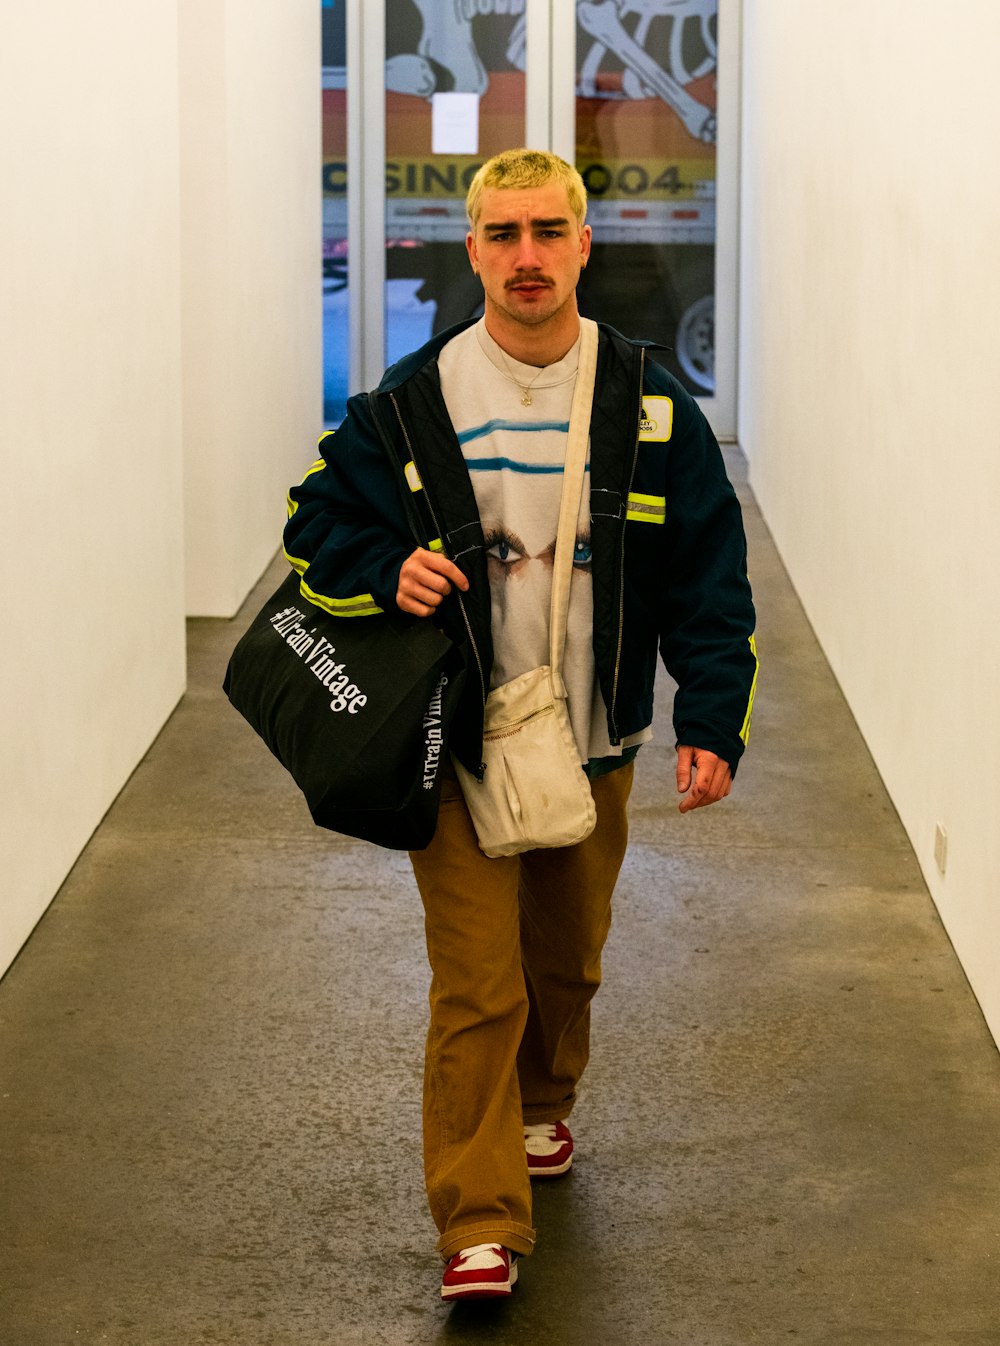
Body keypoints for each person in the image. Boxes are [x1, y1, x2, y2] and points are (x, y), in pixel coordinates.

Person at [283, 148, 757, 1302]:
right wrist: (384, 563)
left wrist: (713, 720)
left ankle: (544, 1104)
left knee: (566, 960)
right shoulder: (411, 400)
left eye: (549, 232)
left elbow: (708, 576)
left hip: (597, 744)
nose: (527, 257)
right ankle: (479, 1219)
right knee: (478, 980)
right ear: (473, 248)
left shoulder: (649, 403)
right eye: (503, 235)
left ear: (584, 244)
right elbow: (313, 523)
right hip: (458, 745)